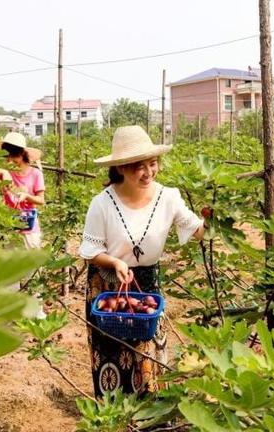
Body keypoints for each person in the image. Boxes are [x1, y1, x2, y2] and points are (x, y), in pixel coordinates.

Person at [79, 125, 205, 397]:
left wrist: (215, 218)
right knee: (112, 353)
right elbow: (90, 250)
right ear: (121, 168)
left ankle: (152, 420)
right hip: (107, 286)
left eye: (153, 163)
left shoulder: (167, 197)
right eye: (139, 166)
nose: (148, 172)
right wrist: (114, 262)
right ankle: (116, 420)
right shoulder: (101, 204)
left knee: (150, 352)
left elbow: (196, 228)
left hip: (147, 282)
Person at [0, 131, 47, 318]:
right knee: (9, 273)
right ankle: (12, 313)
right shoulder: (5, 173)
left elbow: (41, 201)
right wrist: (6, 173)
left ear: (22, 154)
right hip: (9, 227)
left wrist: (27, 196)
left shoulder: (35, 174)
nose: (10, 159)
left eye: (13, 155)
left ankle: (37, 313)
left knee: (32, 271)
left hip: (30, 229)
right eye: (7, 155)